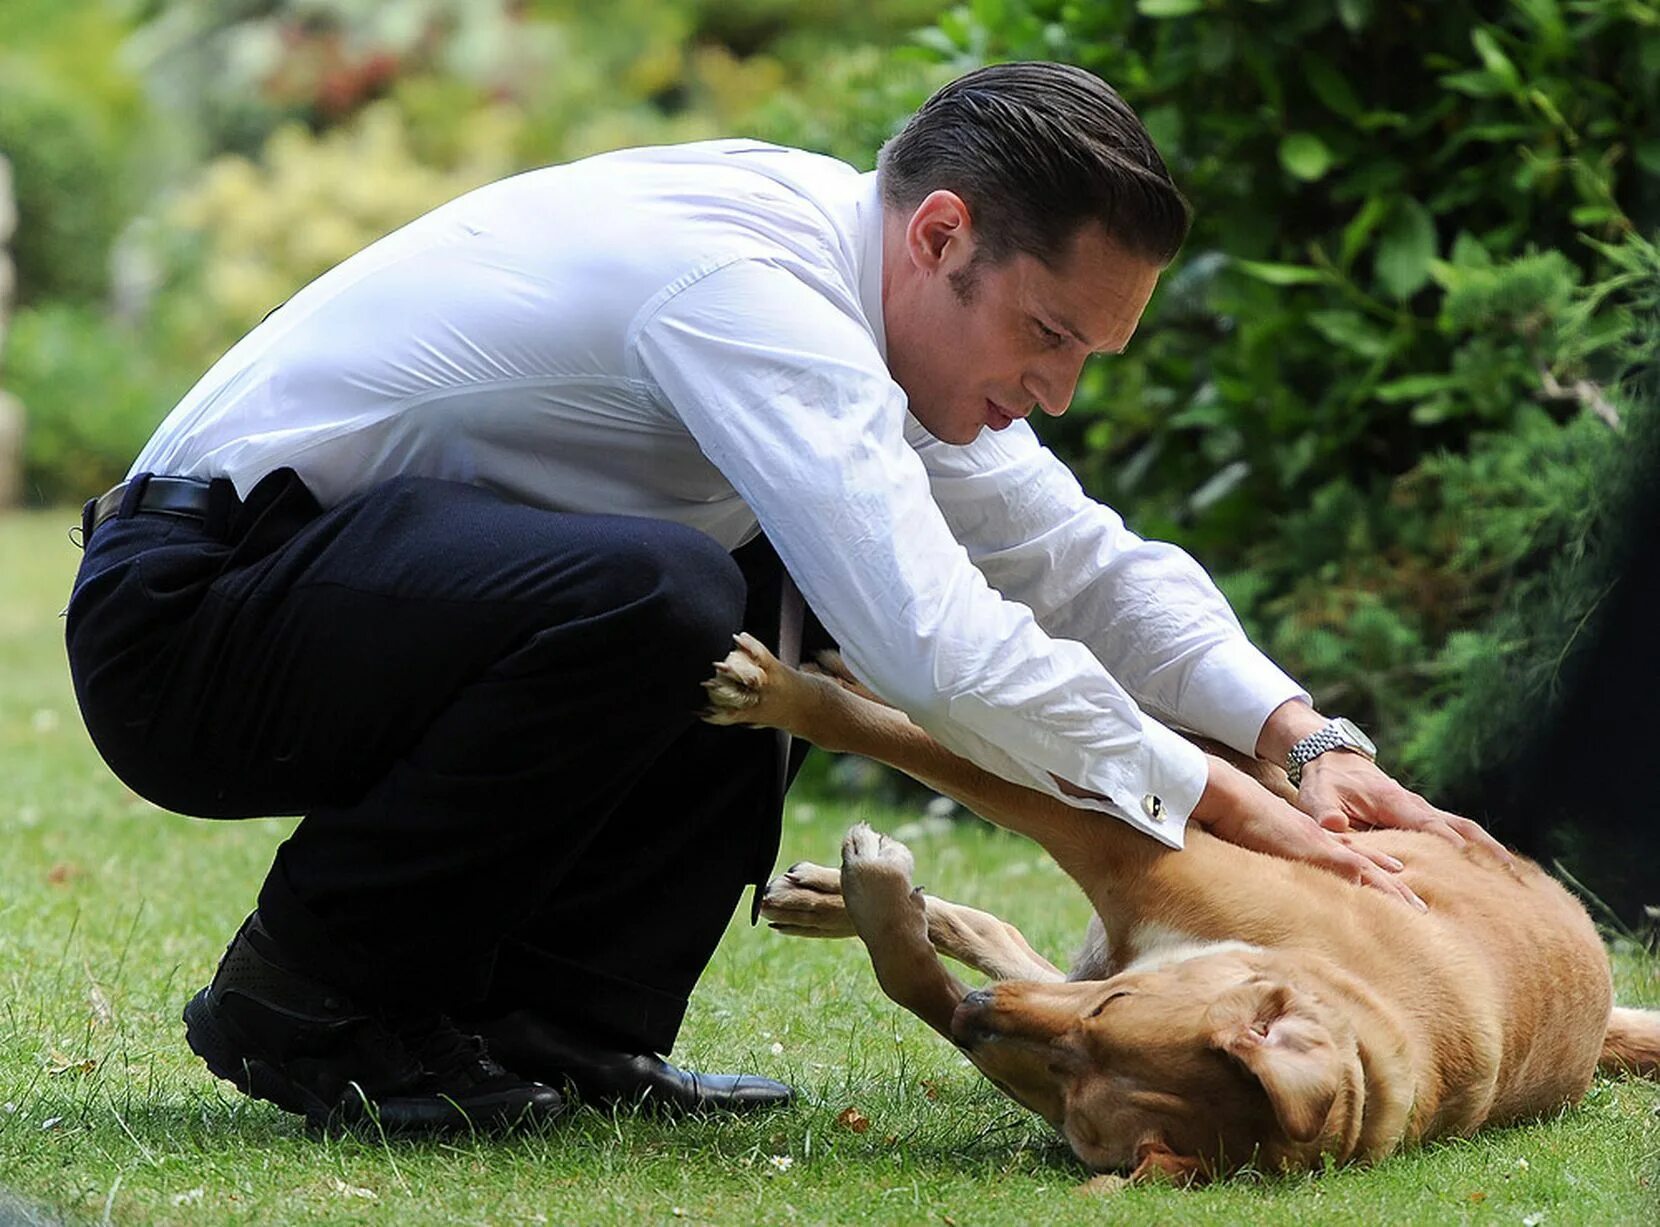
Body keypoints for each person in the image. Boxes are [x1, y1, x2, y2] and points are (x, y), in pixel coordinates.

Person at [64, 62, 1507, 1135]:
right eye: (1047, 336)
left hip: (336, 595)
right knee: (676, 585)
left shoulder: (860, 284)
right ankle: (306, 1000)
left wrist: (1298, 738)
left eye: (1089, 359)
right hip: (192, 620)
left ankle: (565, 1030)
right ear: (942, 236)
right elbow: (934, 648)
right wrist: (1206, 802)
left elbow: (1077, 558)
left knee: (737, 582)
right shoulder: (748, 290)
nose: (1056, 394)